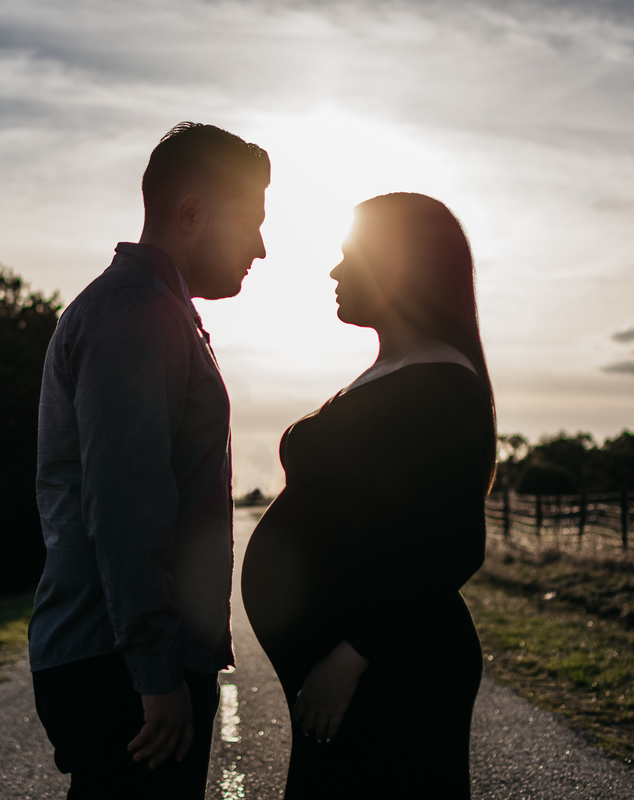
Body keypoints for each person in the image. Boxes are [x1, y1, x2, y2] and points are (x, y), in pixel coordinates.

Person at [29, 122, 269, 799]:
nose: (260, 247)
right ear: (191, 213)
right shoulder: (138, 314)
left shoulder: (153, 309)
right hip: (121, 666)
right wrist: (156, 671)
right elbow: (126, 505)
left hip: (122, 657)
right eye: (249, 222)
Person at [241, 192, 496, 798]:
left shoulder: (442, 385)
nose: (334, 271)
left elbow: (454, 543)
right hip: (358, 672)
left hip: (390, 673)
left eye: (349, 256)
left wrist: (351, 657)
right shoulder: (395, 372)